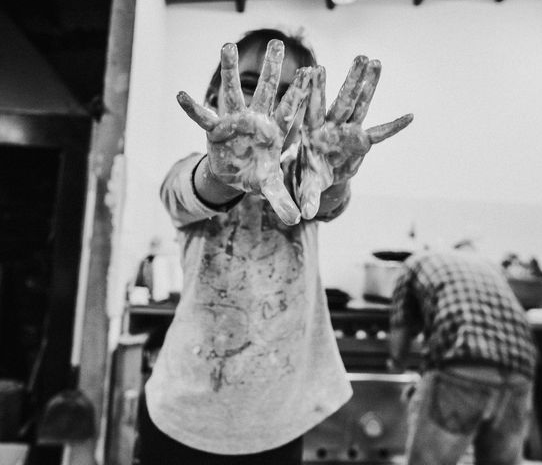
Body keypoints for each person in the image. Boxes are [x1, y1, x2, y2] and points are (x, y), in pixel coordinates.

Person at [137, 28, 413, 465]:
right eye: (250, 85)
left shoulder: (306, 178)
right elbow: (189, 190)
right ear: (215, 95)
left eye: (292, 98)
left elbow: (325, 201)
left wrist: (336, 176)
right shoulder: (189, 171)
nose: (268, 108)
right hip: (182, 416)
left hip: (277, 423)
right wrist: (224, 170)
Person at [388, 249, 538, 465]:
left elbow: (398, 344)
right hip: (521, 368)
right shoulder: (488, 267)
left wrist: (397, 365)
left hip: (464, 361)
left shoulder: (410, 266)